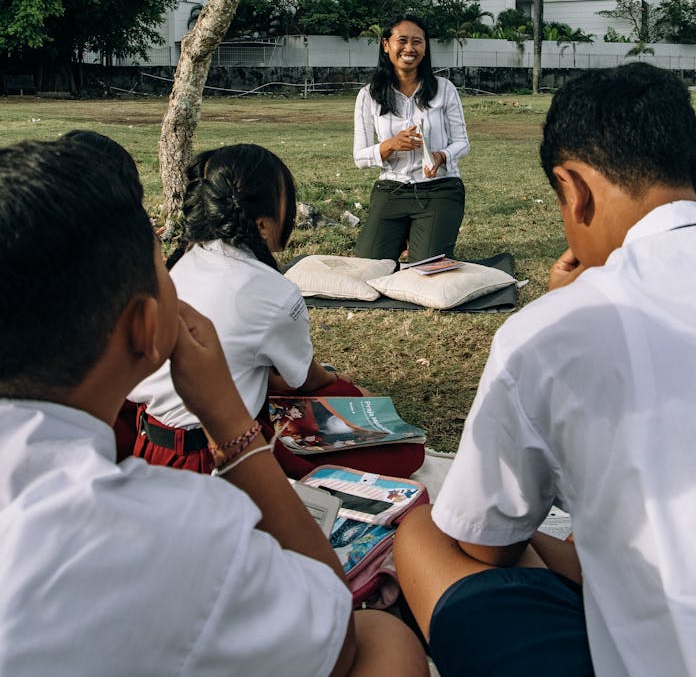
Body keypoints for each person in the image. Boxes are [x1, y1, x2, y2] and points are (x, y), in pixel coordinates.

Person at [0, 133, 428, 677]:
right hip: (214, 455)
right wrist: (230, 420)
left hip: (148, 436)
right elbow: (335, 629)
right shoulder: (184, 525)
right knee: (387, 643)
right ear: (147, 326)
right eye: (159, 267)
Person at [394, 63, 696, 677]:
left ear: (574, 189)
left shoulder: (551, 334)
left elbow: (484, 544)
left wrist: (558, 313)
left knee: (423, 532)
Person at [130, 143, 424, 478]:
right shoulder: (274, 291)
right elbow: (304, 380)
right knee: (405, 451)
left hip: (150, 444)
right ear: (264, 224)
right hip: (217, 457)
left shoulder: (183, 260)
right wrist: (344, 383)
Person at [354, 15, 469, 263]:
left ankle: (421, 231)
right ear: (386, 45)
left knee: (425, 265)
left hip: (440, 188)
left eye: (417, 42)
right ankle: (406, 231)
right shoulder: (369, 95)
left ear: (425, 48)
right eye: (402, 41)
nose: (409, 48)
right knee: (370, 264)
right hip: (392, 188)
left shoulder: (444, 89)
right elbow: (359, 157)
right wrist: (389, 145)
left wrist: (441, 156)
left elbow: (462, 143)